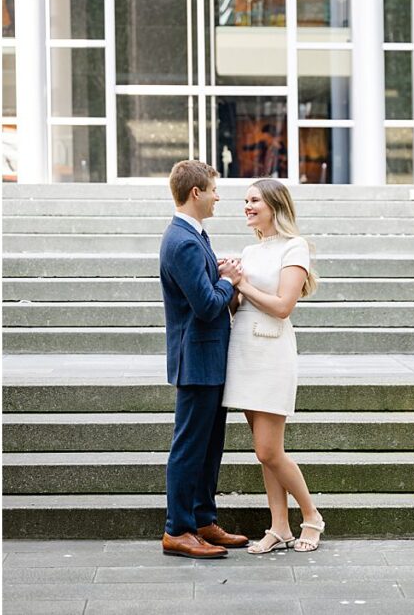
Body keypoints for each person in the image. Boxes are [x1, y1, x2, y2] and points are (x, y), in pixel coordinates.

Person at [222, 178, 324, 553]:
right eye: (245, 201)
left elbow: (283, 306)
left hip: (272, 353)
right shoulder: (248, 250)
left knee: (268, 451)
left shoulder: (295, 247)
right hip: (244, 350)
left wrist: (242, 283)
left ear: (274, 206)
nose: (247, 207)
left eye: (254, 201)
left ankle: (311, 516)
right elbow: (237, 305)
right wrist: (227, 284)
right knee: (263, 449)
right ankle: (279, 526)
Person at [159, 160, 249, 559]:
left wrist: (224, 277)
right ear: (196, 192)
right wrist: (228, 280)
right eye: (214, 190)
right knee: (190, 448)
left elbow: (210, 296)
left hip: (209, 359)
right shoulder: (182, 241)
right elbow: (208, 305)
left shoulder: (196, 235)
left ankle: (202, 519)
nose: (217, 197)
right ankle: (177, 530)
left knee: (210, 447)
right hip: (195, 361)